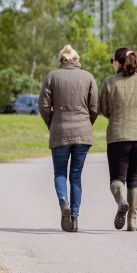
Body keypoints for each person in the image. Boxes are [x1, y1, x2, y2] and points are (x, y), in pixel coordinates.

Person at [99, 48, 137, 232]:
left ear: (118, 63)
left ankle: (121, 201)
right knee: (134, 179)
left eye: (113, 60)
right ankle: (132, 221)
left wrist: (115, 115)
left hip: (117, 136)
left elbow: (103, 108)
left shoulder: (110, 82)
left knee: (117, 179)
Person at [39, 45, 98, 233]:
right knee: (76, 176)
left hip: (59, 130)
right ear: (76, 59)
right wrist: (87, 124)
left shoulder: (52, 77)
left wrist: (53, 124)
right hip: (82, 132)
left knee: (60, 174)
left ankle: (63, 201)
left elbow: (43, 106)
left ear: (61, 60)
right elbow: (94, 107)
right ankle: (74, 217)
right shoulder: (88, 77)